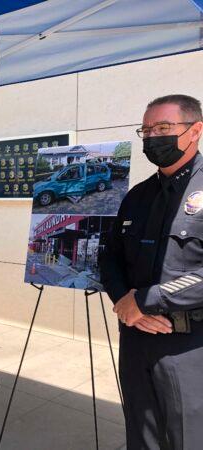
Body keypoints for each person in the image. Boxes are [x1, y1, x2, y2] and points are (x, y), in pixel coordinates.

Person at [101, 94, 203, 449]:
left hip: (189, 346)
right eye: (146, 130)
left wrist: (146, 301)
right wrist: (126, 305)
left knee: (188, 438)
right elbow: (109, 258)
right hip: (136, 337)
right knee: (141, 437)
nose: (152, 137)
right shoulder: (137, 196)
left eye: (163, 127)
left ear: (195, 131)